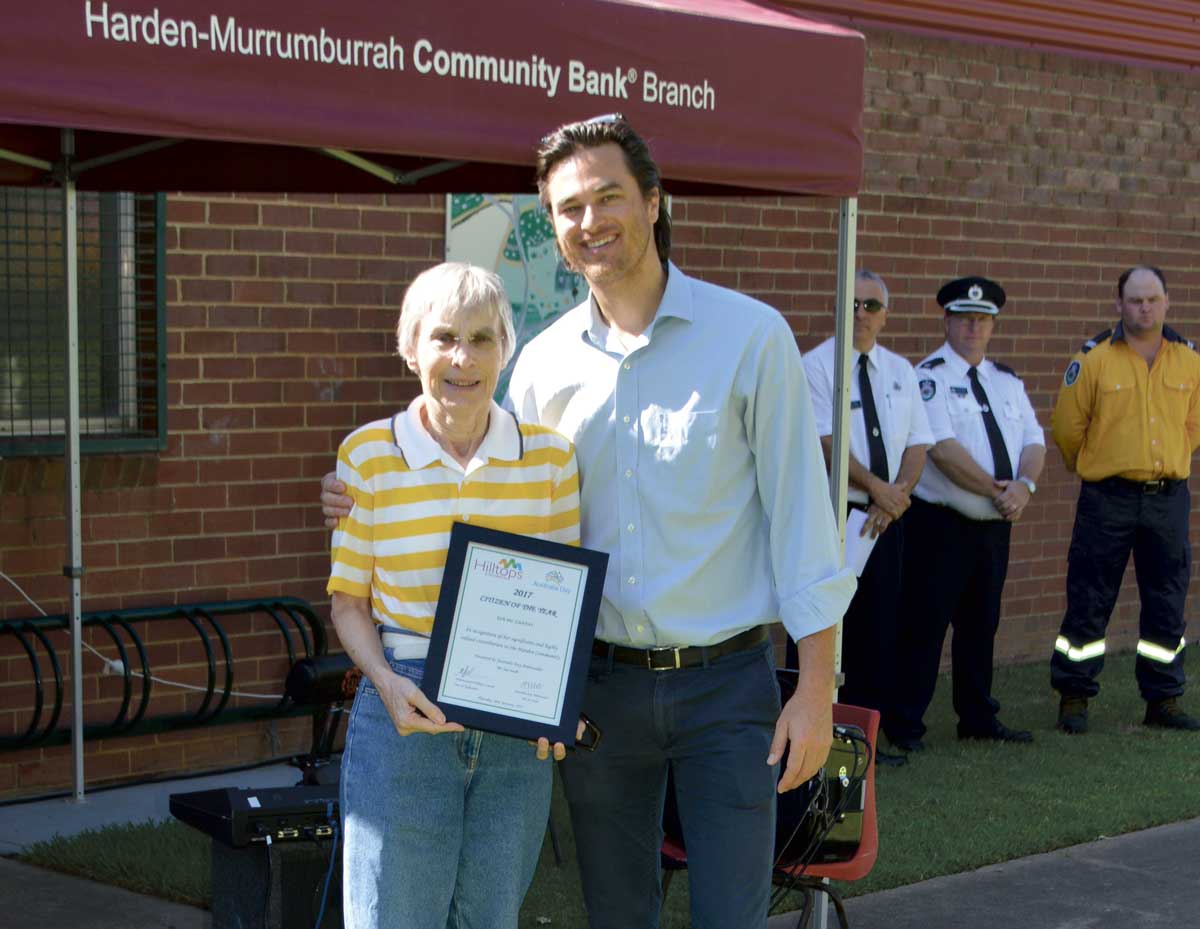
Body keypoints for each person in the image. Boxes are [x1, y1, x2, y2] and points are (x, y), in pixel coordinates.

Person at [323, 116, 855, 929]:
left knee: (732, 915)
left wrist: (815, 688)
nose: (589, 220)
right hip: (597, 696)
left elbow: (803, 525)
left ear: (653, 201)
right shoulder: (539, 365)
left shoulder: (752, 338)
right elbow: (476, 481)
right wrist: (359, 486)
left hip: (727, 689)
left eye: (608, 196)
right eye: (568, 207)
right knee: (615, 913)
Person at [328, 262, 583, 929]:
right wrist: (382, 679)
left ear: (506, 347)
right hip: (404, 703)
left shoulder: (551, 460)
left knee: (489, 919)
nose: (462, 358)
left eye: (481, 337)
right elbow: (348, 601)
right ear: (410, 347)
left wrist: (558, 702)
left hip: (515, 725)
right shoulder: (368, 455)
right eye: (443, 337)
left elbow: (565, 603)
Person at [885, 276, 1045, 751]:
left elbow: (1035, 441)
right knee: (925, 624)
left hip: (995, 527)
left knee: (982, 624)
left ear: (992, 325)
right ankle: (906, 724)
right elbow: (940, 450)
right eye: (964, 319)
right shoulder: (928, 377)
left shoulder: (1006, 381)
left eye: (983, 320)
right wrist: (999, 491)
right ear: (948, 322)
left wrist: (1026, 486)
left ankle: (977, 717)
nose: (974, 328)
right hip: (942, 526)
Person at [1050, 265, 1200, 733]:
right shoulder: (1094, 359)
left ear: (1166, 302)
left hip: (1167, 498)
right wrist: (1097, 465)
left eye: (1152, 299)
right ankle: (1074, 697)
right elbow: (1067, 429)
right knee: (1089, 596)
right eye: (1135, 300)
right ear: (1119, 304)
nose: (1144, 307)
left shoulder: (1189, 360)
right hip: (1107, 498)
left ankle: (1164, 700)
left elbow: (1193, 428)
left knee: (1167, 598)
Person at [802, 269, 933, 766]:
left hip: (885, 522)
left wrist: (893, 496)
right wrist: (878, 490)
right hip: (836, 519)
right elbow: (823, 439)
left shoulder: (901, 369)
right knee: (826, 631)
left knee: (879, 633)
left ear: (885, 314)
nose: (861, 314)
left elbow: (918, 442)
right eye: (853, 304)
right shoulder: (816, 366)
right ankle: (817, 736)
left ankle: (866, 745)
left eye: (871, 305)